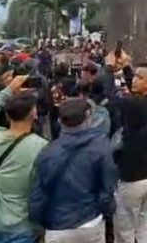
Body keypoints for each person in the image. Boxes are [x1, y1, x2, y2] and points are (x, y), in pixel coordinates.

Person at [29, 97, 117, 243]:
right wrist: (106, 212)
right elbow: (107, 188)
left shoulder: (47, 153)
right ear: (88, 118)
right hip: (90, 222)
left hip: (58, 225)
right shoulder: (101, 148)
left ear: (60, 121)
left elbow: (38, 193)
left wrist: (39, 220)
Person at [0, 75, 48, 243]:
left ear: (7, 116)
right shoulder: (42, 147)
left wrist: (8, 91)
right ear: (34, 114)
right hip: (24, 224)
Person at [103, 58, 147, 243]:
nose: (134, 80)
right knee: (141, 221)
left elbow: (110, 97)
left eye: (139, 77)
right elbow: (136, 86)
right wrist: (127, 67)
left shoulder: (134, 105)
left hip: (133, 178)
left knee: (124, 230)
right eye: (134, 77)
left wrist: (109, 68)